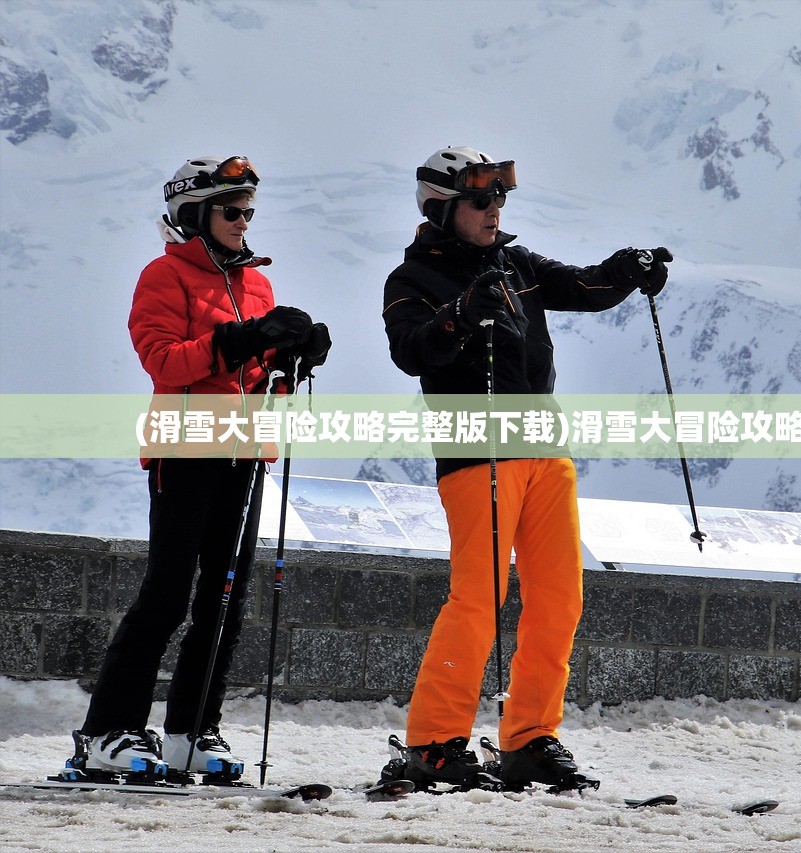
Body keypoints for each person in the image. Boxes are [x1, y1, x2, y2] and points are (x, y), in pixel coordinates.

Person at [380, 146, 672, 792]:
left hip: (544, 447)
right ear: (441, 208)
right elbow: (410, 350)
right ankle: (432, 742)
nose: (495, 209)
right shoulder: (411, 280)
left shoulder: (515, 263)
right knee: (479, 600)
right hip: (477, 453)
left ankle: (529, 739)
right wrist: (460, 314)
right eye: (481, 200)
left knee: (559, 598)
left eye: (500, 197)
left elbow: (585, 286)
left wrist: (629, 269)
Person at [71, 156, 330, 781]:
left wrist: (293, 357)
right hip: (185, 449)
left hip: (243, 448)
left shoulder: (256, 283)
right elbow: (162, 360)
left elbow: (257, 373)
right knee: (167, 592)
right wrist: (241, 340)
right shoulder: (164, 275)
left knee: (224, 596)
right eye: (231, 210)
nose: (244, 222)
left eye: (249, 211)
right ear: (195, 215)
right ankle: (108, 732)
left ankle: (190, 731)